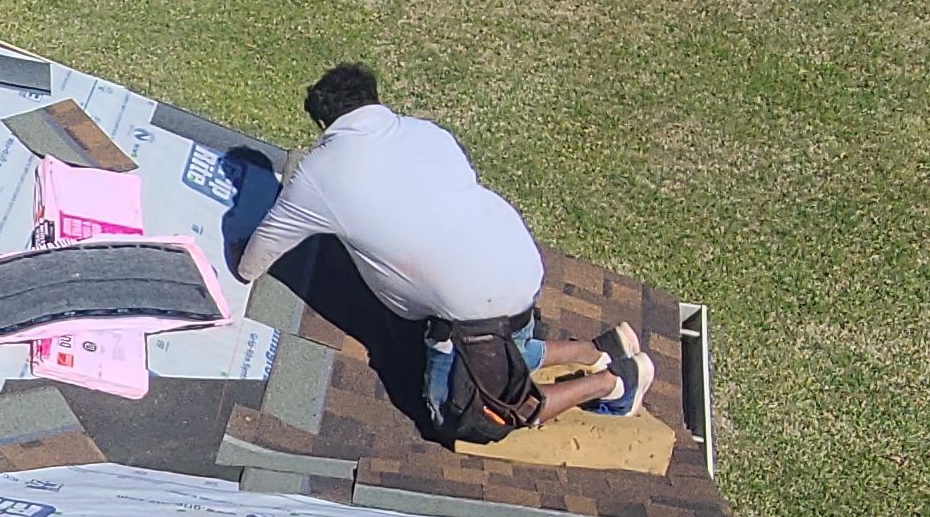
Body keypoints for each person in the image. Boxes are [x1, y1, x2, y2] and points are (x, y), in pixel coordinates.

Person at [228, 62, 652, 444]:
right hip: (518, 265)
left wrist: (240, 261)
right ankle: (595, 350)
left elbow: (259, 255)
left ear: (324, 122)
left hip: (474, 312)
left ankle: (615, 382)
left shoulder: (319, 173)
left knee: (461, 415)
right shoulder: (427, 132)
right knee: (505, 347)